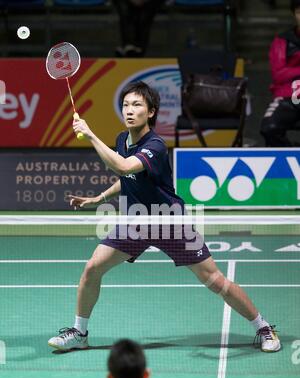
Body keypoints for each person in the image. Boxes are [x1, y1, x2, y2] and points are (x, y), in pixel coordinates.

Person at [48, 81, 280, 353]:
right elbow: (129, 178)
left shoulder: (156, 145)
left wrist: (90, 134)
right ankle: (79, 332)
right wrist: (99, 198)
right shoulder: (123, 140)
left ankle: (264, 328)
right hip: (136, 222)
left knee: (215, 280)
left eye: (137, 105)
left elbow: (123, 167)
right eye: (125, 105)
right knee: (92, 269)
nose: (129, 110)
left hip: (169, 221)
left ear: (151, 112)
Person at [260, 0, 300, 146]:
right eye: (299, 12)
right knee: (269, 128)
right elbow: (278, 75)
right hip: (289, 98)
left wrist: (291, 71)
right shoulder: (282, 41)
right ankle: (291, 154)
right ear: (294, 14)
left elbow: (285, 72)